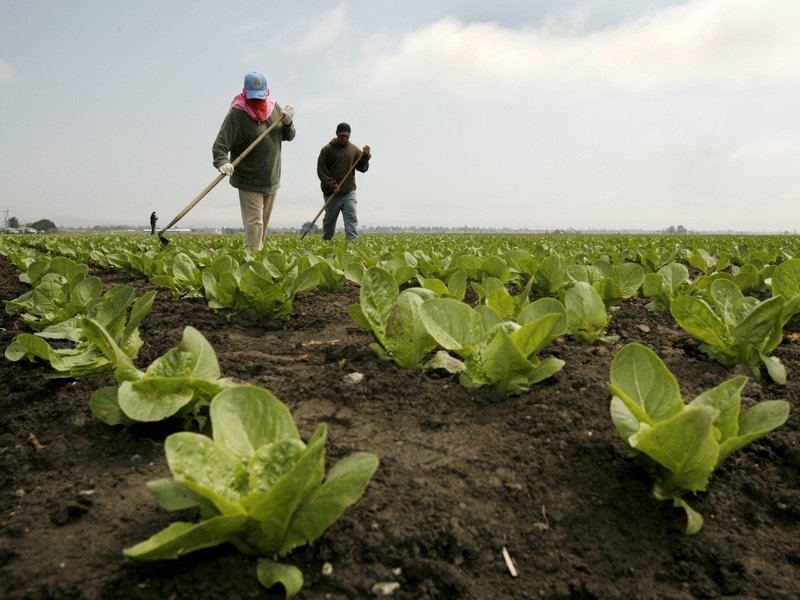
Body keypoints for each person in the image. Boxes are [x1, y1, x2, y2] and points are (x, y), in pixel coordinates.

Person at [212, 71, 295, 250]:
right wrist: (222, 162)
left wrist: (288, 123)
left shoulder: (275, 108)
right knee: (255, 223)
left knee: (262, 225)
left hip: (271, 177)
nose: (256, 101)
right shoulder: (237, 114)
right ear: (245, 93)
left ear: (266, 92)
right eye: (253, 97)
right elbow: (220, 145)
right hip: (248, 179)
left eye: (260, 97)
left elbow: (288, 136)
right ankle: (253, 259)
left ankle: (254, 254)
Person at [316, 123, 371, 241]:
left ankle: (352, 242)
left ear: (349, 136)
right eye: (341, 136)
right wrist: (332, 185)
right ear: (337, 134)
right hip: (332, 193)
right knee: (329, 220)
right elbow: (321, 171)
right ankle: (327, 240)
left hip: (349, 191)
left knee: (351, 217)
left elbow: (363, 168)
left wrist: (366, 156)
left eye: (346, 136)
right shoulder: (327, 150)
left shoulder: (354, 150)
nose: (344, 138)